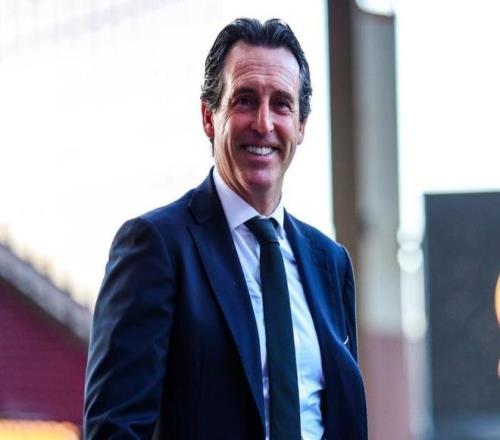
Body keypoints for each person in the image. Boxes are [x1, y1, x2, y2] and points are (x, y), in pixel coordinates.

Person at [84, 18, 367, 440]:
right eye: (245, 100)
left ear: (302, 125)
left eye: (281, 104)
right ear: (208, 117)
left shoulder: (331, 262)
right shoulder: (155, 246)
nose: (263, 123)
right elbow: (114, 429)